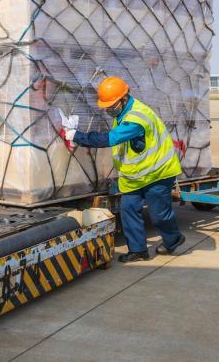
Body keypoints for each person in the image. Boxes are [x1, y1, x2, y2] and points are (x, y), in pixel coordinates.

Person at [61, 77, 185, 262]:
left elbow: (110, 139)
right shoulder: (123, 114)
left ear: (124, 98)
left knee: (159, 215)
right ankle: (138, 250)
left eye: (111, 105)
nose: (108, 109)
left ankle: (173, 239)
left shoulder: (136, 118)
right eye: (106, 106)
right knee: (128, 210)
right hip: (134, 176)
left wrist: (76, 136)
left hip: (157, 174)